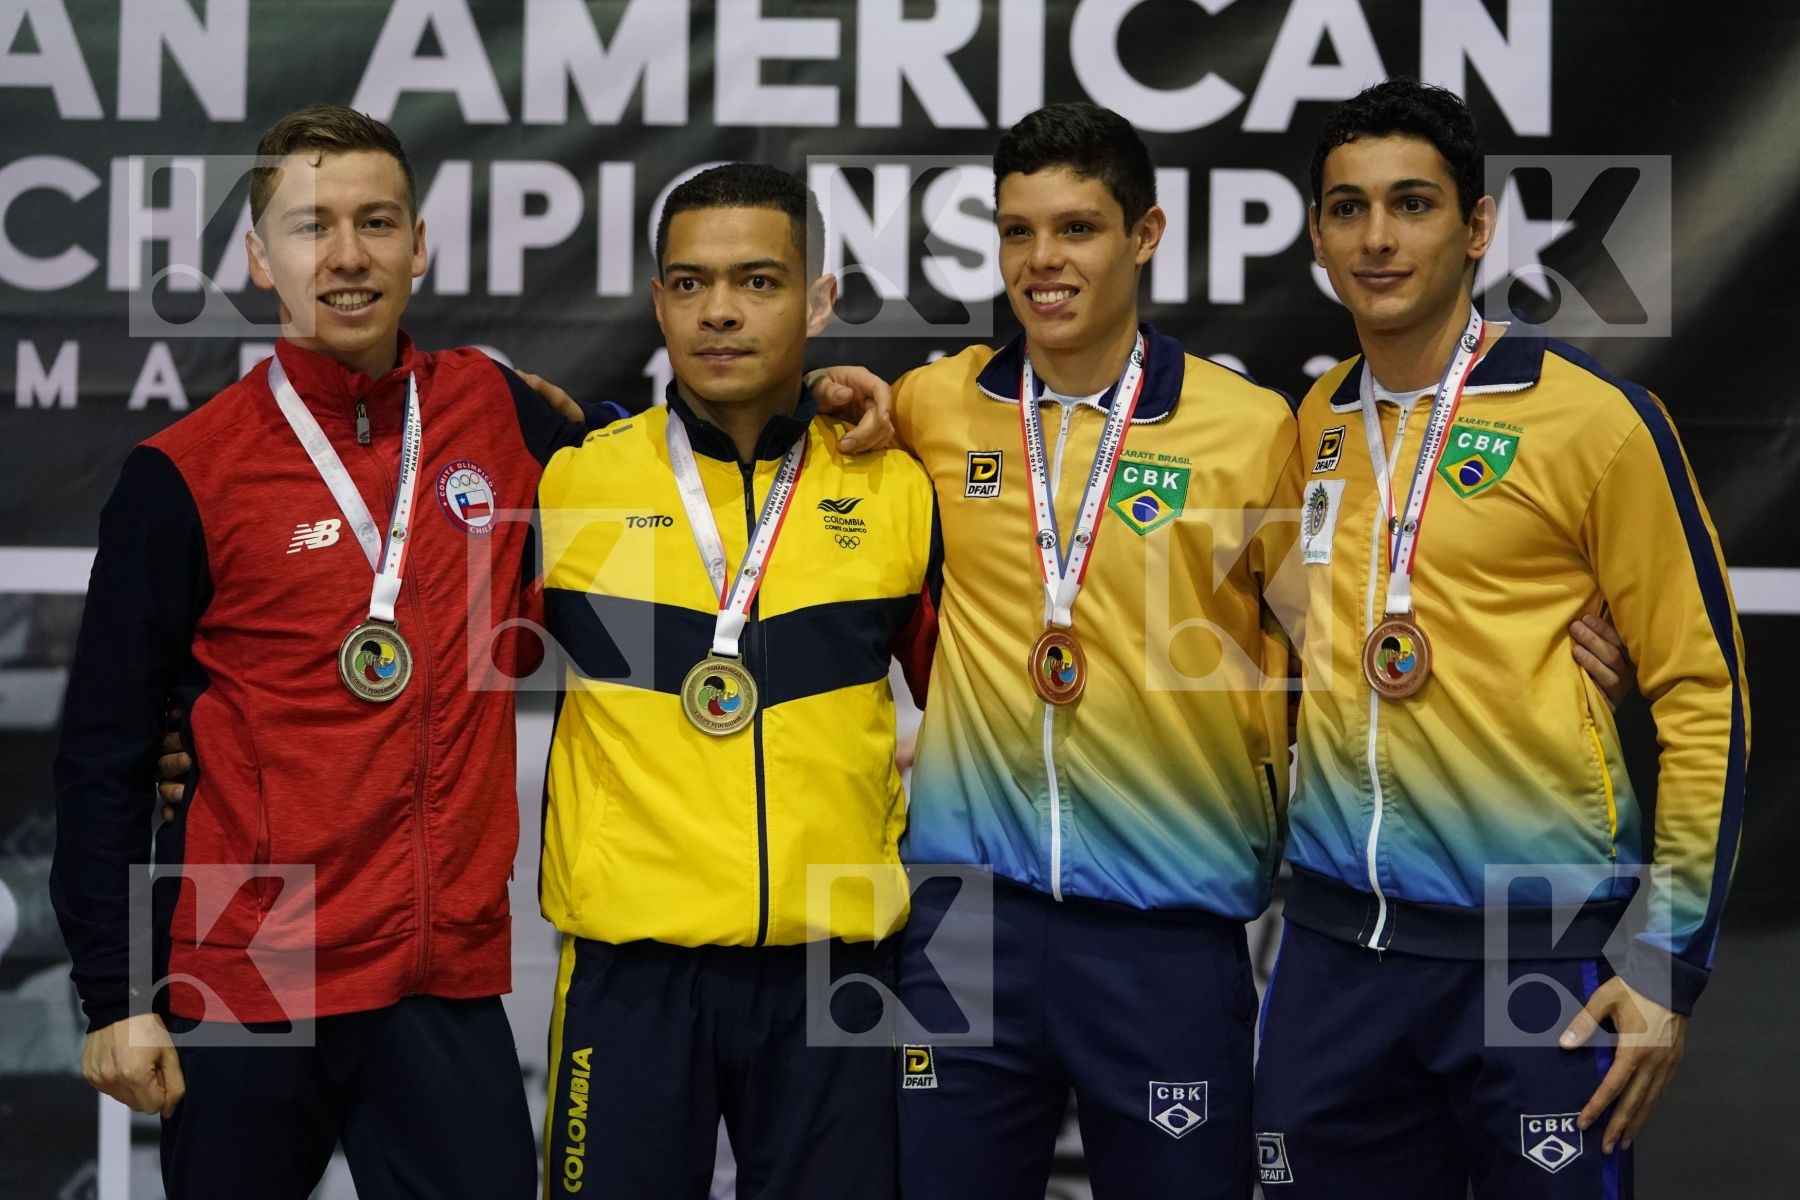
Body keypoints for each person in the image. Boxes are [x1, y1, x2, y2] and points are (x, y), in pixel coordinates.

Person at [50, 104, 626, 1199]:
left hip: (436, 974)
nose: (350, 255)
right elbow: (104, 753)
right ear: (261, 258)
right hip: (246, 973)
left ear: (421, 244)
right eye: (313, 228)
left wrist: (837, 405)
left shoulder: (497, 410)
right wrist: (116, 994)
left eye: (377, 221)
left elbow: (661, 479)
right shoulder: (183, 472)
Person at [1251, 79, 1749, 1198]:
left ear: (1476, 227)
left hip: (1537, 950)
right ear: (1319, 235)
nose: (1378, 237)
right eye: (1348, 208)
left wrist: (1664, 963)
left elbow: (1702, 694)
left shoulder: (1596, 423)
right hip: (1339, 952)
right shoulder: (1311, 425)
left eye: (1413, 204)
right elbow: (1270, 633)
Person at [811, 101, 1297, 1199]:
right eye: (1017, 231)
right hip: (964, 912)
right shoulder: (939, 403)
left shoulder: (1249, 426)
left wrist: (1560, 639)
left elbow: (1340, 630)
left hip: (1167, 921)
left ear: (1147, 234)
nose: (1043, 261)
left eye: (1076, 228)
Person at [532, 163, 939, 1200]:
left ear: (819, 300)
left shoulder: (899, 482)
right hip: (635, 962)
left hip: (841, 959)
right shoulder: (570, 475)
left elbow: (983, 705)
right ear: (659, 297)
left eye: (758, 281)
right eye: (687, 282)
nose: (718, 311)